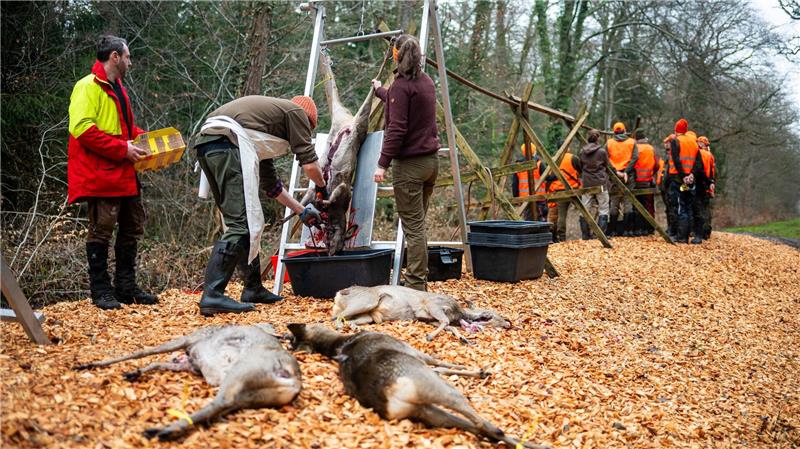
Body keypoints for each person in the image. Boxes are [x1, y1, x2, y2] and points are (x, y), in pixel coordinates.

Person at [193, 95, 326, 315]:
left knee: (246, 220)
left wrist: (301, 211)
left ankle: (252, 288)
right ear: (308, 122)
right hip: (226, 144)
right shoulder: (298, 114)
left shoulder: (261, 130)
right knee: (241, 223)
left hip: (210, 144)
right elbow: (310, 166)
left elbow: (272, 187)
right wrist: (323, 188)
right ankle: (213, 295)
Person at [67, 35, 157, 310]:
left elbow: (125, 131)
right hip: (101, 174)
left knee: (132, 227)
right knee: (101, 231)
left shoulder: (118, 87)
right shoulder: (87, 86)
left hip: (124, 171)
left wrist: (148, 141)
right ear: (115, 56)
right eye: (128, 56)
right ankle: (101, 292)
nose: (131, 62)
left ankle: (126, 288)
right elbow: (82, 129)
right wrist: (122, 149)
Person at [371, 34, 440, 292]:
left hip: (410, 167)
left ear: (396, 55)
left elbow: (397, 129)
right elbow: (398, 101)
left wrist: (382, 164)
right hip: (430, 164)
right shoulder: (426, 82)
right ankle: (418, 280)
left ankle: (414, 287)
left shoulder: (402, 86)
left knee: (413, 227)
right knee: (418, 224)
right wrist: (380, 90)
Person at [664, 119, 703, 243]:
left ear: (676, 129)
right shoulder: (693, 142)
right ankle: (686, 236)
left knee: (678, 207)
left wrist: (683, 176)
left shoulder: (676, 141)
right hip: (691, 180)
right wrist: (691, 175)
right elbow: (698, 162)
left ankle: (679, 236)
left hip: (678, 179)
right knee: (687, 207)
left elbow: (676, 160)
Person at [606, 122, 638, 236]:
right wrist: (626, 172)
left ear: (614, 132)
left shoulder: (609, 143)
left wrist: (615, 172)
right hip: (628, 176)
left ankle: (613, 230)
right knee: (628, 201)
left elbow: (606, 160)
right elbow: (635, 158)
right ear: (624, 131)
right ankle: (627, 231)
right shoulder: (632, 142)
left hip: (614, 177)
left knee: (614, 202)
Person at [577, 130, 611, 239]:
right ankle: (601, 236)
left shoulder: (582, 152)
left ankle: (585, 235)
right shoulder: (602, 152)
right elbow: (607, 165)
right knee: (603, 208)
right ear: (598, 138)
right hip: (600, 183)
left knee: (585, 209)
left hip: (587, 183)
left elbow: (580, 166)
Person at [544, 152, 582, 242]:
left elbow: (549, 176)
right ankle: (587, 235)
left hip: (559, 190)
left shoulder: (553, 159)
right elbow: (581, 170)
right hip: (574, 189)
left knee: (561, 215)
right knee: (584, 211)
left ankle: (562, 238)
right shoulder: (573, 157)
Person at [631, 130, 659, 236]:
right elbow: (657, 165)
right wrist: (651, 173)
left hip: (635, 182)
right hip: (648, 181)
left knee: (636, 205)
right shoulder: (651, 148)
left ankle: (638, 229)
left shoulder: (634, 148)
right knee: (649, 205)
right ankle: (649, 228)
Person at [512, 143, 547, 221]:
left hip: (525, 200)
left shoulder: (518, 165)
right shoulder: (539, 164)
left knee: (529, 222)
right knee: (542, 222)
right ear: (534, 151)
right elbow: (548, 178)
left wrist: (516, 198)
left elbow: (514, 185)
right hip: (540, 199)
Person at [696, 136, 717, 240]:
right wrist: (712, 183)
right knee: (706, 208)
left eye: (698, 142)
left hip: (700, 183)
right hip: (708, 184)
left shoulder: (699, 154)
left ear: (701, 144)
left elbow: (699, 170)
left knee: (699, 208)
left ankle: (700, 231)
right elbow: (713, 171)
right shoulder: (710, 155)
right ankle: (707, 231)